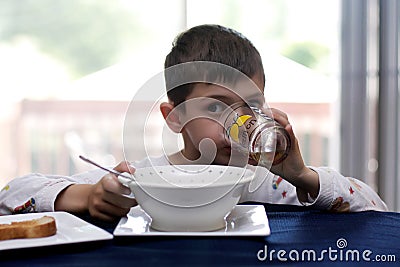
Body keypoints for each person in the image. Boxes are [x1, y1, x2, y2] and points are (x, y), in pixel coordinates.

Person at [0, 24, 387, 221]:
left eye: (252, 105)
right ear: (175, 117)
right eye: (216, 108)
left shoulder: (273, 186)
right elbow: (12, 195)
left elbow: (378, 211)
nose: (239, 122)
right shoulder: (147, 180)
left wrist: (302, 176)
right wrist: (88, 197)